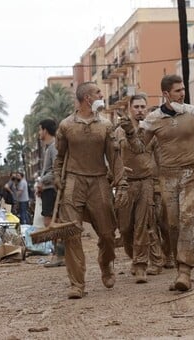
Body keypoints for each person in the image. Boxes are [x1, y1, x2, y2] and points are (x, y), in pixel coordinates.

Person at [120, 74, 194, 291]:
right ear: (166, 94)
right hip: (168, 177)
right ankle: (179, 257)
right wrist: (129, 131)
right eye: (177, 91)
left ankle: (185, 271)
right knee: (172, 224)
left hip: (192, 172)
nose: (182, 93)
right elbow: (139, 148)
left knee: (186, 217)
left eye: (183, 89)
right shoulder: (153, 119)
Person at [54, 81, 128, 299]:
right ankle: (77, 284)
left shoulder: (105, 126)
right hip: (73, 183)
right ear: (88, 98)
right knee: (72, 234)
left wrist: (121, 182)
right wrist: (58, 178)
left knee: (107, 234)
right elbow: (59, 158)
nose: (101, 95)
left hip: (99, 182)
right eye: (98, 92)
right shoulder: (66, 126)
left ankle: (106, 264)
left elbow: (114, 159)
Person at [115, 94, 163, 283]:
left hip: (146, 181)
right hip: (125, 183)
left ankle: (142, 264)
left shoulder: (151, 130)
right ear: (130, 108)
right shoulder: (118, 131)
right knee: (125, 228)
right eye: (136, 107)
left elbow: (155, 155)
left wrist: (160, 182)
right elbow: (112, 156)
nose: (140, 110)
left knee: (143, 225)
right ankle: (135, 258)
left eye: (143, 106)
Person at [36, 118, 65, 267]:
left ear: (45, 131)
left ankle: (60, 254)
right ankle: (59, 254)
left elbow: (56, 171)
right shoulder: (49, 148)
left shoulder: (53, 147)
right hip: (48, 189)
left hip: (51, 189)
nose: (39, 133)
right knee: (52, 222)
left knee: (51, 223)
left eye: (40, 130)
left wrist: (42, 182)